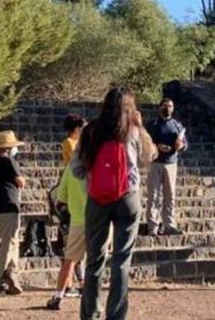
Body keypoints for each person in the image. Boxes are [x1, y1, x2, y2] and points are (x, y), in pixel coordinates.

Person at [72, 88, 156, 320]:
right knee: (121, 260)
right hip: (128, 198)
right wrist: (141, 126)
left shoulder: (90, 131)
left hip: (97, 200)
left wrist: (94, 180)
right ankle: (116, 316)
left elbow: (76, 169)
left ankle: (90, 314)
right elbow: (149, 157)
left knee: (94, 260)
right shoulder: (132, 131)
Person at [47, 115, 87, 310]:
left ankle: (58, 295)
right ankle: (90, 294)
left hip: (76, 218)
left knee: (69, 258)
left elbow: (59, 198)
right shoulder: (97, 165)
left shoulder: (72, 169)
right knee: (93, 259)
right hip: (98, 219)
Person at [0, 130, 27, 295]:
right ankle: (1, 279)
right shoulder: (9, 161)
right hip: (9, 205)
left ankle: (11, 275)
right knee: (8, 244)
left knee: (10, 242)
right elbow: (20, 181)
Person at [143, 98, 187, 236]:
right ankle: (153, 226)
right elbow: (144, 142)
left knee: (170, 196)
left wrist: (181, 146)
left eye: (169, 106)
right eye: (164, 105)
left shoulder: (177, 125)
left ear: (173, 109)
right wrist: (156, 146)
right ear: (159, 107)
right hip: (155, 163)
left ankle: (169, 224)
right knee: (153, 195)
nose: (167, 108)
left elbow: (185, 143)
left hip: (171, 164)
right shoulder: (151, 125)